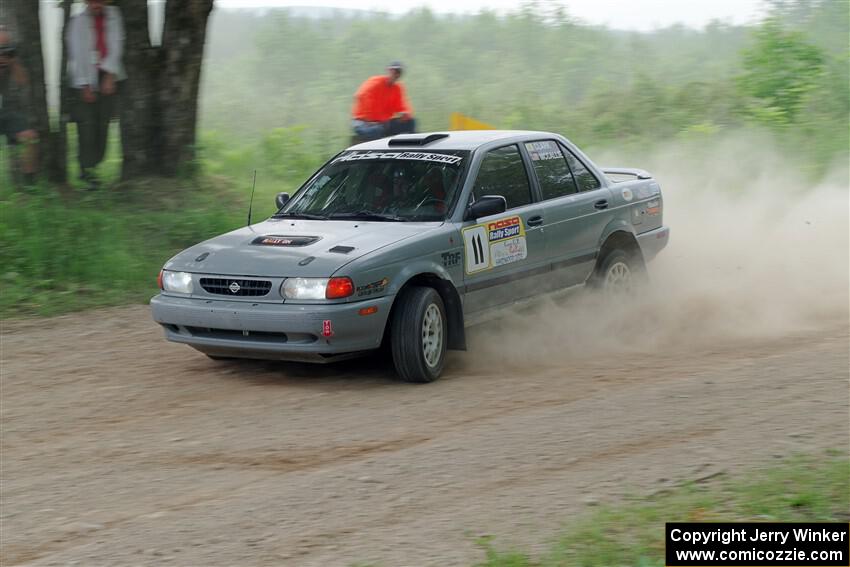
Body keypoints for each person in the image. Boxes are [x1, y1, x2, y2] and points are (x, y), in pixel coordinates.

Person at [66, 0, 125, 187]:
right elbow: (76, 54)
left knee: (103, 124)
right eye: (92, 1)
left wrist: (110, 75)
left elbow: (117, 44)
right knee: (87, 126)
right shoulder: (78, 21)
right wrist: (85, 85)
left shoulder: (114, 15)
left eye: (100, 0)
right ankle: (86, 171)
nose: (96, 4)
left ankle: (95, 165)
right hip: (84, 78)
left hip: (109, 74)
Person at [0, 29, 38, 186]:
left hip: (6, 112)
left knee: (29, 137)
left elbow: (23, 82)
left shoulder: (10, 60)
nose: (2, 52)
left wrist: (13, 62)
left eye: (5, 47)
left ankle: (29, 186)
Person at [351, 61, 416, 142]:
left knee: (410, 121)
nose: (396, 74)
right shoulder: (375, 81)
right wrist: (369, 120)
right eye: (394, 71)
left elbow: (401, 106)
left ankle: (413, 145)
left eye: (398, 72)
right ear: (388, 71)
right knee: (376, 130)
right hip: (363, 123)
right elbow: (360, 96)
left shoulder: (397, 88)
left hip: (382, 124)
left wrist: (405, 113)